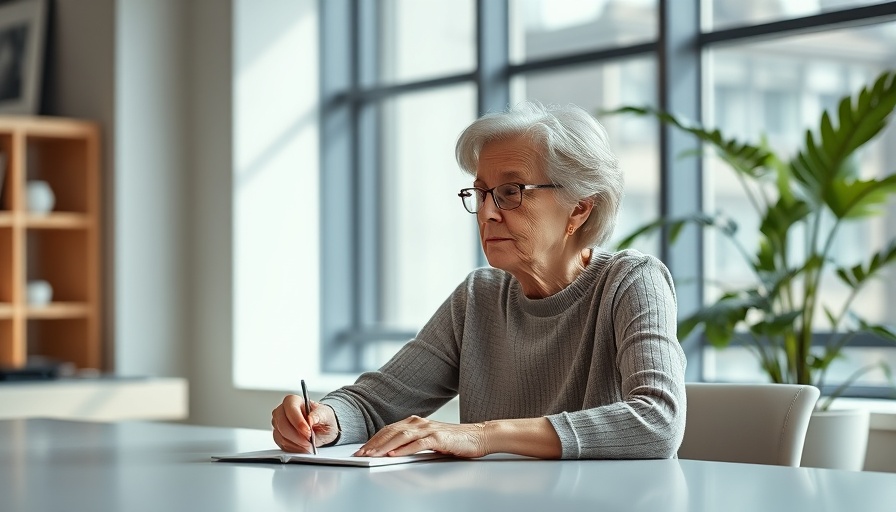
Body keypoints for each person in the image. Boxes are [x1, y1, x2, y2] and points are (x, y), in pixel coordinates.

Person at [271, 101, 687, 460]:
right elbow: (373, 404)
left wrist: (482, 435)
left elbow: (657, 420)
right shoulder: (478, 297)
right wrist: (325, 418)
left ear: (578, 209)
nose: (487, 213)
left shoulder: (632, 282)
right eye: (481, 193)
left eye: (510, 192)